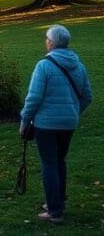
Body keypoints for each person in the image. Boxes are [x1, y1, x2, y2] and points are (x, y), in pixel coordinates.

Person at [20, 25, 93, 224]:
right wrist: (72, 112)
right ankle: (57, 201)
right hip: (68, 123)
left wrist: (25, 120)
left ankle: (54, 210)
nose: (45, 41)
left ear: (51, 42)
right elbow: (87, 96)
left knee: (50, 164)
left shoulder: (43, 66)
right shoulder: (79, 65)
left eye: (46, 38)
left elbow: (33, 98)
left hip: (46, 124)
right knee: (60, 161)